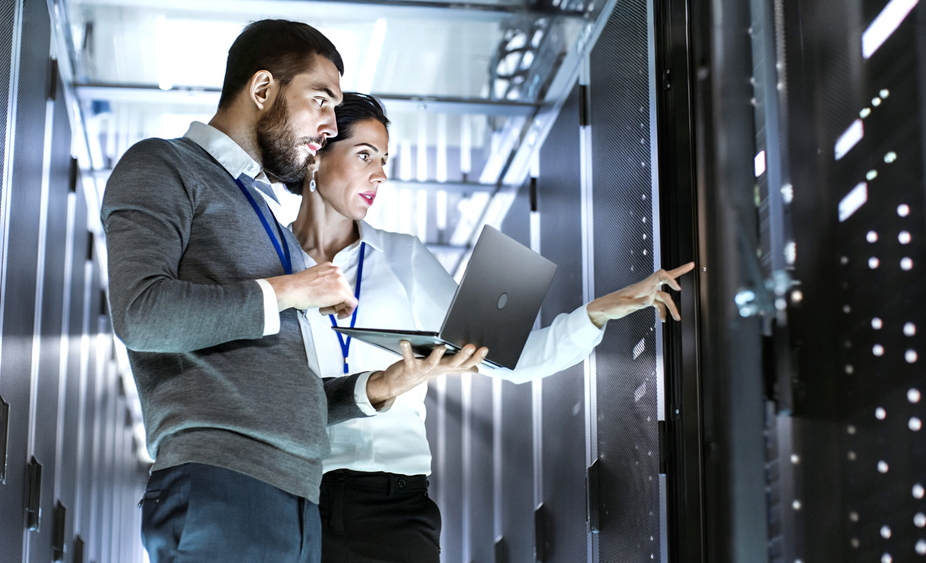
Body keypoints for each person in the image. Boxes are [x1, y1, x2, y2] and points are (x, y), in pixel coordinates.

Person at [101, 21, 484, 563]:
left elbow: (285, 393)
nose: (329, 125)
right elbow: (142, 315)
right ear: (263, 90)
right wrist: (289, 290)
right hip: (222, 482)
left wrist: (382, 385)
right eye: (321, 101)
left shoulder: (264, 217)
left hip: (298, 497)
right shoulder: (163, 165)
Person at [288, 92, 695, 562]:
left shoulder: (405, 257)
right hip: (291, 494)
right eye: (365, 156)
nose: (381, 174)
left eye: (384, 160)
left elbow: (508, 361)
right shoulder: (268, 262)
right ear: (317, 153)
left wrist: (597, 312)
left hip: (392, 506)